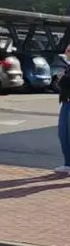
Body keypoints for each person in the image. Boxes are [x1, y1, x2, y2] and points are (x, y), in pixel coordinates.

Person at [56, 44, 70, 173]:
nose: (67, 52)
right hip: (66, 102)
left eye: (69, 50)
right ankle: (67, 164)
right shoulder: (68, 66)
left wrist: (62, 78)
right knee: (63, 132)